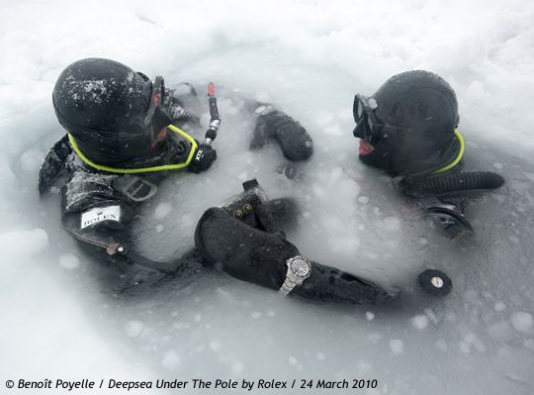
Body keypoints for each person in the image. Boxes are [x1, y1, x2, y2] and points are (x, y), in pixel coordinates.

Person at [39, 57, 392, 304]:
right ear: (117, 139)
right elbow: (128, 285)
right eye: (150, 118)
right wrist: (215, 252)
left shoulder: (153, 108)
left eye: (156, 101)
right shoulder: (91, 199)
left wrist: (269, 115)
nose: (165, 115)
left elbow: (212, 90)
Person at [352, 70, 505, 238]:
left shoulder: (442, 212)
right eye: (362, 117)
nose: (358, 132)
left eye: (371, 128)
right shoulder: (410, 160)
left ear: (410, 144)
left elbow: (463, 257)